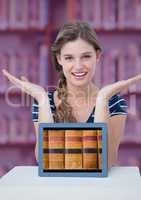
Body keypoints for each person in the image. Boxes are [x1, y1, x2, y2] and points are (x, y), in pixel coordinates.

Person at [2, 21, 141, 169]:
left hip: (98, 191)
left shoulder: (114, 103)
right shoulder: (44, 103)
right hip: (57, 190)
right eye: (69, 58)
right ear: (59, 59)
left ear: (97, 56)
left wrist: (102, 101)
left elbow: (106, 161)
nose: (79, 66)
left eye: (86, 56)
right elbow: (45, 162)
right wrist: (42, 98)